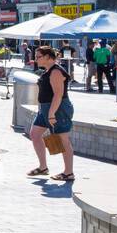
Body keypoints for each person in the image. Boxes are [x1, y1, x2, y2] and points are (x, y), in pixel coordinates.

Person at [27, 44, 75, 182]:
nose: (36, 59)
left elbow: (58, 95)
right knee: (35, 134)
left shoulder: (56, 72)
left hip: (57, 109)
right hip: (45, 109)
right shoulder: (48, 70)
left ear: (48, 57)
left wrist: (51, 113)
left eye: (38, 57)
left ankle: (68, 172)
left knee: (62, 140)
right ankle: (43, 167)